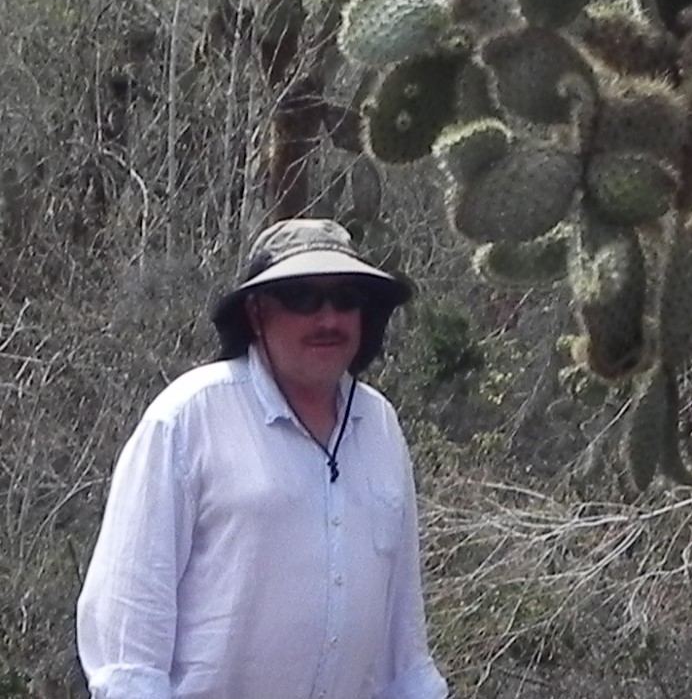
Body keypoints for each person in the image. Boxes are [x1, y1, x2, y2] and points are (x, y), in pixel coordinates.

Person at [76, 218, 449, 699]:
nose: (328, 320)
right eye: (302, 299)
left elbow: (404, 639)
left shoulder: (380, 427)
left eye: (346, 299)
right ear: (256, 313)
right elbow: (127, 641)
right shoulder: (189, 419)